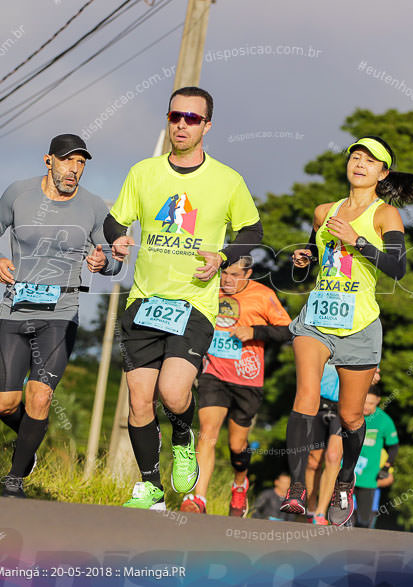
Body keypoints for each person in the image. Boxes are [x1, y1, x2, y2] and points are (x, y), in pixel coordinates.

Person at [104, 87, 263, 510]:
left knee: (174, 394)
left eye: (192, 118)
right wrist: (117, 239)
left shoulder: (228, 180)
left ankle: (181, 435)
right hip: (143, 300)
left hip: (193, 303)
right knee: (139, 400)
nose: (181, 124)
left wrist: (224, 255)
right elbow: (114, 219)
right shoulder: (144, 172)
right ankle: (151, 486)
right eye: (176, 116)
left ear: (207, 126)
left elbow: (252, 231)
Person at [280, 135, 413, 526]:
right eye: (355, 156)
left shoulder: (385, 215)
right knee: (306, 394)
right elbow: (306, 268)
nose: (360, 164)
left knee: (352, 416)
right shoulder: (324, 211)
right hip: (318, 316)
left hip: (359, 324)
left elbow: (397, 268)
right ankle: (296, 488)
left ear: (382, 173)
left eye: (370, 161)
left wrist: (356, 241)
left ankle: (344, 480)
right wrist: (303, 261)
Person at [0, 134, 121, 498]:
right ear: (48, 161)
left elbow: (116, 258)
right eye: (67, 161)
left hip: (61, 310)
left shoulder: (93, 206)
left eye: (81, 163)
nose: (74, 169)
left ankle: (15, 479)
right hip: (15, 307)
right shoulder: (18, 194)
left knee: (39, 396)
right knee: (4, 403)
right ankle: (31, 440)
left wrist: (104, 262)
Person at [180, 256, 291, 516]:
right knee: (207, 432)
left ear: (248, 273)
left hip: (247, 379)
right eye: (224, 274)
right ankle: (198, 499)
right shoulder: (209, 287)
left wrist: (255, 332)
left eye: (234, 274)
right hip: (213, 373)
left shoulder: (263, 295)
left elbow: (288, 331)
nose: (227, 280)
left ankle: (239, 484)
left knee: (237, 447)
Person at [354, 379, 398, 528]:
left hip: (368, 479)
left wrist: (386, 467)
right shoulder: (351, 413)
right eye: (364, 402)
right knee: (340, 519)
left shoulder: (383, 420)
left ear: (378, 401)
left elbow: (393, 446)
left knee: (364, 522)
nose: (366, 407)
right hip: (346, 476)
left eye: (371, 404)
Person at [304, 362, 343, 525]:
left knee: (333, 456)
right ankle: (311, 506)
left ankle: (321, 512)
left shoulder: (358, 339)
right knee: (313, 462)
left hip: (343, 406)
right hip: (317, 402)